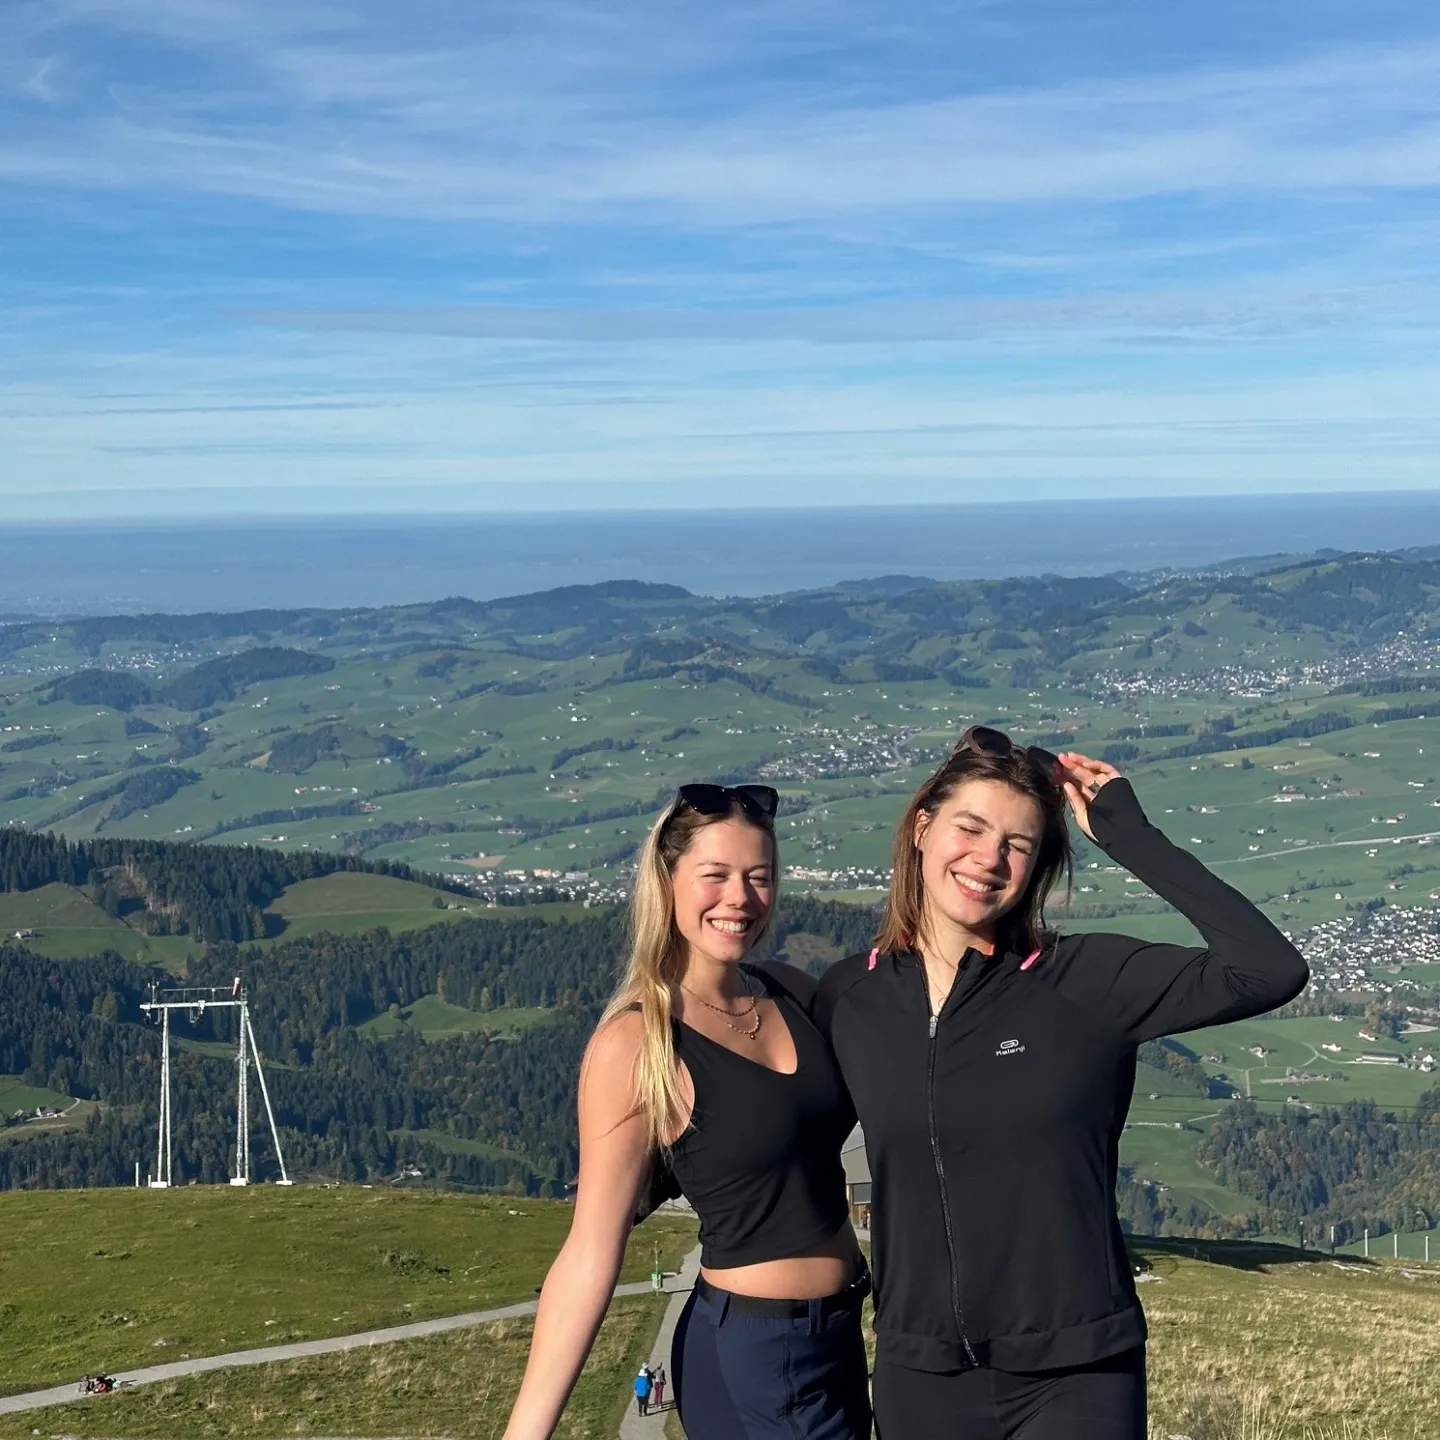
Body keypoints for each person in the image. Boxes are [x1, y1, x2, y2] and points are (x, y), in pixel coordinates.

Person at [815, 728, 1310, 1440]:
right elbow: (790, 1141)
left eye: (1018, 844)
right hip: (918, 1372)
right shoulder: (850, 998)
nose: (989, 859)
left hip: (1079, 1370)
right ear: (922, 828)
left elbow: (1268, 969)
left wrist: (1130, 836)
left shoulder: (1085, 981)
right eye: (970, 828)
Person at [503, 782, 870, 1440]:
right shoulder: (638, 1042)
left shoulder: (789, 991)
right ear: (667, 881)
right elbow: (590, 1250)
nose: (740, 898)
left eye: (759, 877)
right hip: (760, 1351)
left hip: (836, 1335)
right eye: (716, 875)